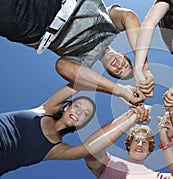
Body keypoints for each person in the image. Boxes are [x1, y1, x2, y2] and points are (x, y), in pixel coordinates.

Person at [0, 0, 145, 105]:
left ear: (107, 70)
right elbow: (128, 16)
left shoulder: (83, 64)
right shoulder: (111, 25)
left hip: (31, 26)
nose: (120, 67)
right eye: (125, 65)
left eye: (118, 72)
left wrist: (121, 91)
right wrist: (142, 67)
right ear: (122, 54)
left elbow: (62, 67)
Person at [0, 82, 148, 176]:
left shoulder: (58, 150)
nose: (78, 112)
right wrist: (119, 91)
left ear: (82, 124)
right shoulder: (44, 109)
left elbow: (90, 147)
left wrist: (131, 117)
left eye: (85, 114)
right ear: (66, 107)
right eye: (77, 106)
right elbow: (80, 82)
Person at [85, 124, 173, 179]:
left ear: (149, 151)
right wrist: (128, 119)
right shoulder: (110, 162)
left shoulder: (157, 177)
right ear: (129, 145)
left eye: (145, 142)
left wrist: (170, 141)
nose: (140, 144)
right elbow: (90, 149)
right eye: (137, 141)